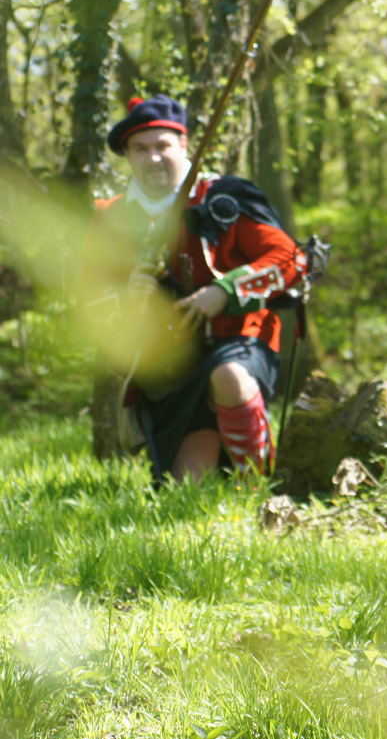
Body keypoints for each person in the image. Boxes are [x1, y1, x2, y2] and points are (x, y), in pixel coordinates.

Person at [81, 94, 305, 484]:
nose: (153, 158)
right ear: (128, 155)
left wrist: (225, 292)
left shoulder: (226, 198)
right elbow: (89, 301)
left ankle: (259, 487)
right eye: (141, 149)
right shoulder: (111, 219)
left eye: (162, 146)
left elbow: (289, 259)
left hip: (238, 340)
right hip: (167, 371)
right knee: (189, 487)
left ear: (183, 145)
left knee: (230, 377)